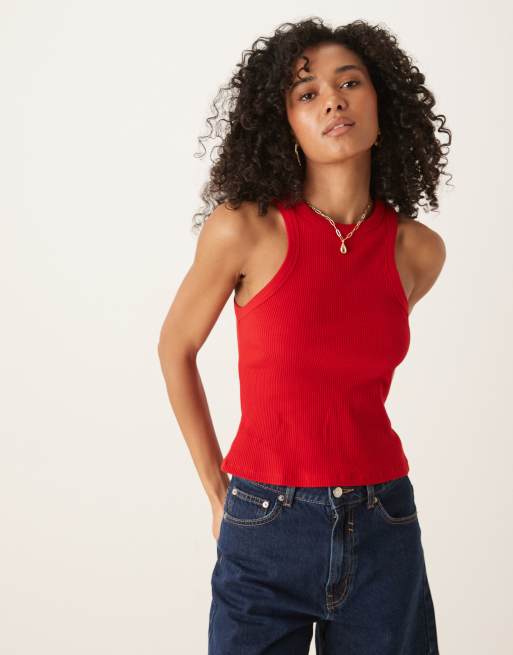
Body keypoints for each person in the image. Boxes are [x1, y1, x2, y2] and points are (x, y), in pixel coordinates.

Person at [158, 17, 450, 655]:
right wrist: (216, 491)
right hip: (265, 522)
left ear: (382, 103)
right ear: (283, 122)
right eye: (307, 93)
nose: (333, 102)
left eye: (350, 83)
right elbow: (175, 348)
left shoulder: (418, 251)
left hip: (384, 523)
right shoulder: (245, 229)